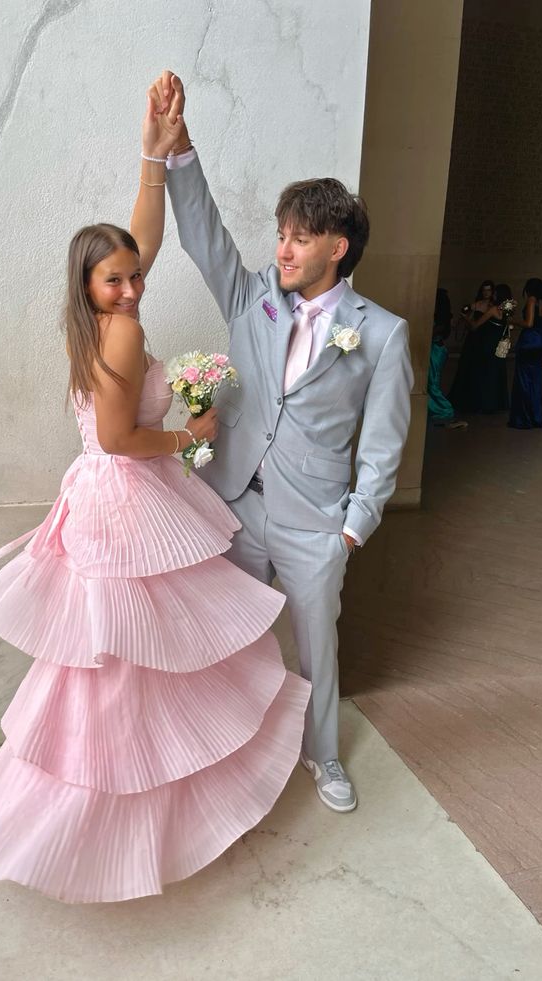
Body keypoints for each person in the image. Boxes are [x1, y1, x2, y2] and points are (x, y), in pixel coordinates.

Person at [0, 86, 310, 903]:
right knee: (132, 655)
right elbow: (117, 439)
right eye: (117, 281)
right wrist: (191, 435)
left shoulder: (94, 315)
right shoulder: (123, 331)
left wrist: (155, 151)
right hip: (128, 493)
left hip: (113, 498)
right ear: (89, 283)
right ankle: (113, 815)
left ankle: (123, 803)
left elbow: (140, 241)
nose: (134, 288)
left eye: (135, 278)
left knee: (132, 652)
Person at [153, 70, 413, 813]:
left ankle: (323, 755)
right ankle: (218, 749)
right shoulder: (252, 298)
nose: (284, 248)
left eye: (300, 237)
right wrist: (179, 150)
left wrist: (353, 527)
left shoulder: (381, 334)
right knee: (221, 635)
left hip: (314, 522)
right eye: (281, 234)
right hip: (234, 504)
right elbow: (203, 235)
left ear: (338, 246)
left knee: (316, 647)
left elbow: (384, 441)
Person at [508, 278, 542, 429]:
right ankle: (536, 418)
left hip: (529, 341)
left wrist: (513, 321)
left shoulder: (532, 300)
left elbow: (529, 323)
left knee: (523, 380)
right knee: (536, 381)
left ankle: (522, 419)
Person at [448, 280, 495, 412]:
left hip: (487, 340)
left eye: (489, 290)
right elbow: (466, 321)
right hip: (474, 339)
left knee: (483, 369)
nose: (486, 293)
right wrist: (463, 318)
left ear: (492, 292)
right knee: (468, 367)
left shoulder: (494, 306)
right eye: (484, 290)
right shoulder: (475, 305)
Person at [470, 283, 512, 413]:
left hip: (488, 345)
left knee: (486, 374)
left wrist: (466, 318)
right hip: (499, 346)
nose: (492, 294)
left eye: (494, 293)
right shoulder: (507, 310)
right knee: (497, 373)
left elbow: (475, 325)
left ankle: (486, 404)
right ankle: (498, 404)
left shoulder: (493, 309)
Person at [428, 289, 467, 428]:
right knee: (431, 382)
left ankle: (444, 409)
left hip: (436, 350)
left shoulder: (441, 322)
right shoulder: (443, 318)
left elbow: (435, 332)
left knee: (432, 382)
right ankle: (437, 408)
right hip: (437, 349)